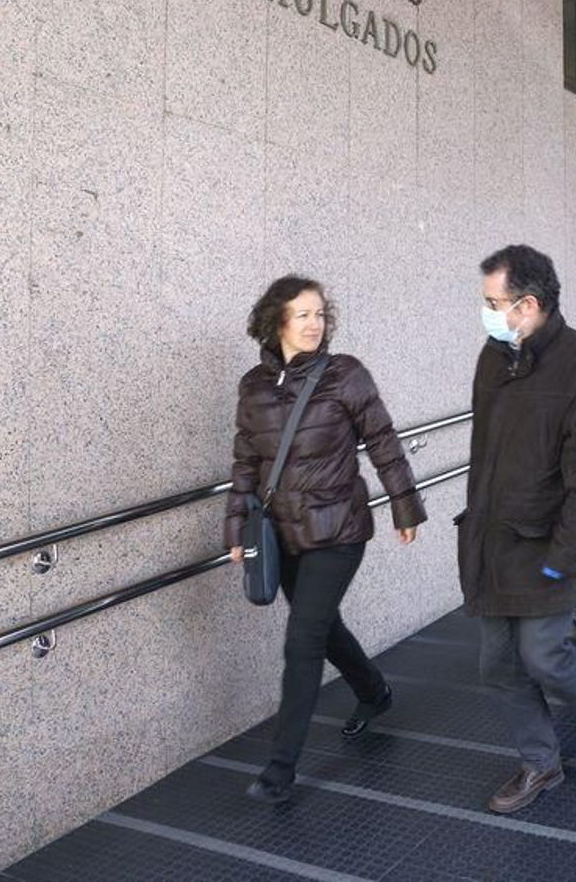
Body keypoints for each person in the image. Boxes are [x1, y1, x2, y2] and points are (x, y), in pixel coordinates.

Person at [222, 275, 427, 804]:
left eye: (319, 314)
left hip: (338, 529)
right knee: (322, 628)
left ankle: (279, 770)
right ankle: (374, 692)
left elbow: (383, 440)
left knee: (302, 640)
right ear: (276, 321)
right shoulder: (254, 386)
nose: (315, 323)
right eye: (303, 315)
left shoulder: (345, 375)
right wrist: (236, 528)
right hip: (282, 532)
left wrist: (405, 505)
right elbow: (246, 461)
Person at [455, 244, 576, 815]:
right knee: (499, 665)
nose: (486, 313)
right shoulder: (493, 358)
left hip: (549, 545)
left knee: (544, 654)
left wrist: (565, 556)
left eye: (492, 302)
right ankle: (540, 763)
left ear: (526, 304)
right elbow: (484, 457)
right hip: (494, 543)